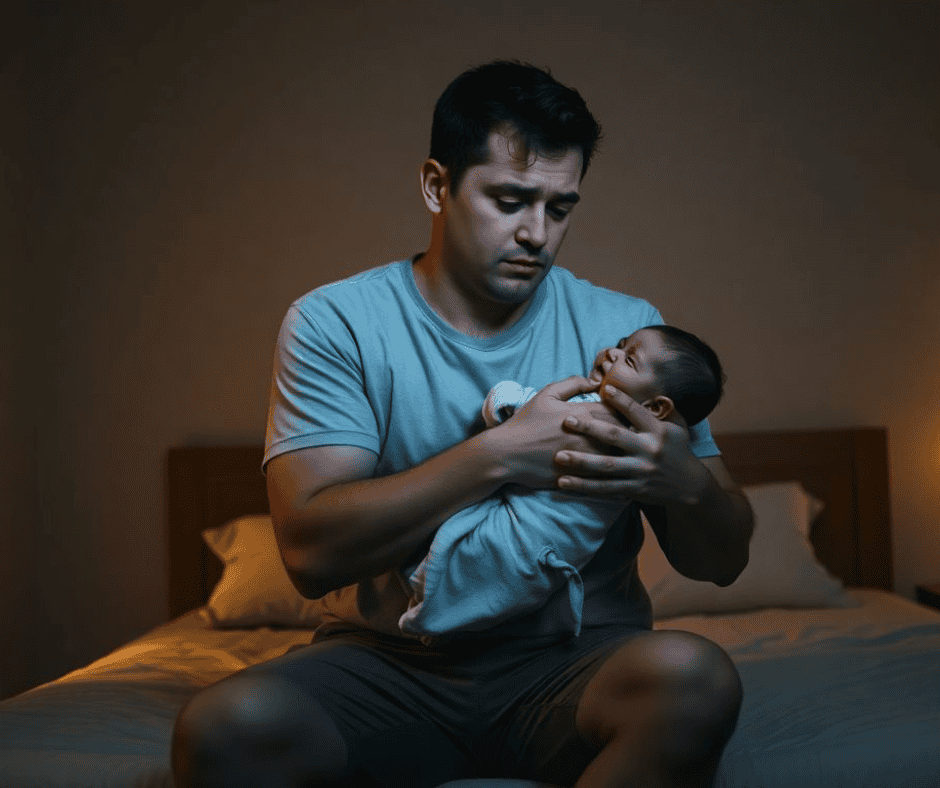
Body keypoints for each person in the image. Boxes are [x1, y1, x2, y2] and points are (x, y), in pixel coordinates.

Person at [172, 60, 754, 788]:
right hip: (390, 664)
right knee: (225, 727)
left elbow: (724, 563)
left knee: (696, 676)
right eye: (509, 200)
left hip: (577, 663)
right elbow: (310, 552)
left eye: (560, 208)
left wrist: (688, 485)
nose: (537, 233)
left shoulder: (629, 332)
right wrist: (501, 454)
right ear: (436, 185)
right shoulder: (336, 323)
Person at [400, 325, 726, 643]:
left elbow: (514, 410)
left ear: (655, 407)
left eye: (628, 360)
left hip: (530, 537)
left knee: (473, 557)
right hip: (552, 554)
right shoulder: (653, 452)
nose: (612, 353)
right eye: (622, 343)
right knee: (483, 577)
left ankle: (429, 608)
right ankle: (435, 609)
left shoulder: (606, 424)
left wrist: (506, 395)